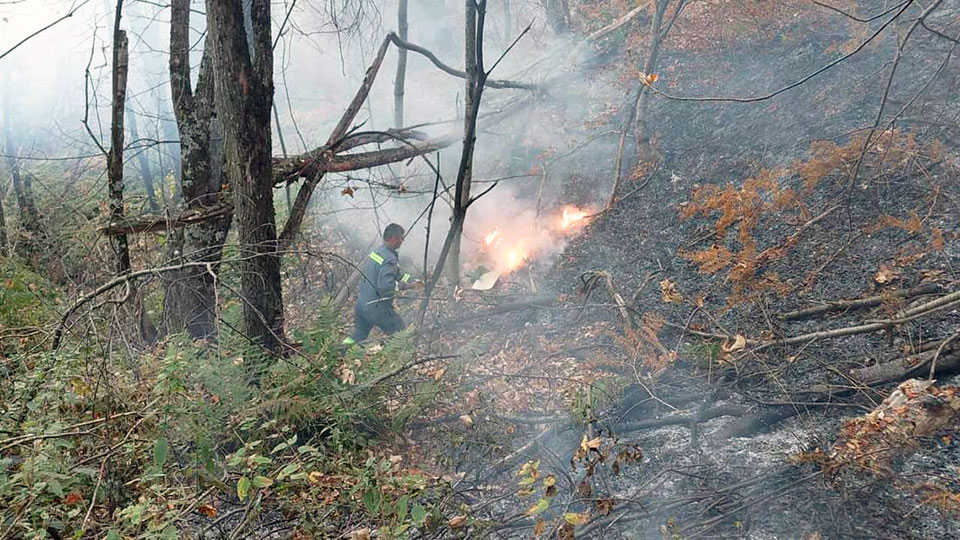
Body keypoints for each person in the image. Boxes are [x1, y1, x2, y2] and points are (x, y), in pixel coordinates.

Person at [343, 224, 422, 345]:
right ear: (394, 238)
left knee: (359, 334)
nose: (402, 241)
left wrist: (412, 279)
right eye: (401, 238)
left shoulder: (378, 252)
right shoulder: (390, 258)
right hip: (377, 308)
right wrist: (407, 286)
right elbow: (385, 286)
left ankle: (340, 350)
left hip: (362, 304)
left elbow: (395, 274)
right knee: (400, 333)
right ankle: (400, 356)